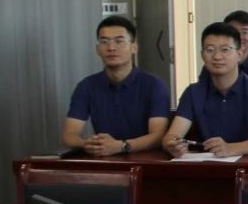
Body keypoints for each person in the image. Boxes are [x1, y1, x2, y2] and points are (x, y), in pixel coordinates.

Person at [164, 22, 248, 157]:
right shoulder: (193, 92)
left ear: (239, 54)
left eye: (225, 50)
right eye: (210, 50)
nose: (217, 56)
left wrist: (230, 148)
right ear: (202, 55)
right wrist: (172, 145)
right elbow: (172, 135)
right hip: (207, 164)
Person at [62, 15, 170, 155]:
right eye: (104, 42)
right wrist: (91, 144)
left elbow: (158, 136)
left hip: (146, 160)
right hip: (104, 159)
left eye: (119, 41)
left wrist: (121, 146)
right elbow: (69, 135)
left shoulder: (155, 85)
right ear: (97, 49)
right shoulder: (86, 86)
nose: (111, 48)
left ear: (134, 47)